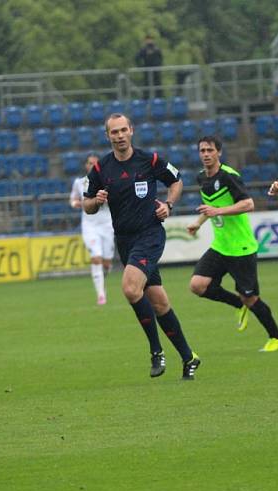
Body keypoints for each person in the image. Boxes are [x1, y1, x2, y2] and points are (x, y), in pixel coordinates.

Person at [83, 113, 201, 380]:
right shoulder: (101, 169)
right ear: (108, 136)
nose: (120, 135)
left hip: (149, 235)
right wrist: (97, 200)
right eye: (114, 132)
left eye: (124, 130)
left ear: (132, 131)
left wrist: (168, 205)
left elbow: (177, 180)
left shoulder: (150, 160)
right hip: (124, 240)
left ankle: (156, 351)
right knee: (159, 303)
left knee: (129, 288)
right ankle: (189, 357)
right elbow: (87, 204)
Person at [186, 136, 278, 352]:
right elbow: (209, 204)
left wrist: (218, 211)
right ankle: (237, 305)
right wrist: (198, 223)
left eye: (209, 150)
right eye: (202, 150)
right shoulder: (201, 177)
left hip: (241, 248)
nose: (205, 154)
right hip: (221, 245)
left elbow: (248, 204)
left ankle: (276, 336)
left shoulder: (229, 176)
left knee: (251, 298)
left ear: (219, 152)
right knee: (197, 285)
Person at [70, 153, 115, 305]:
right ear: (86, 165)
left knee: (107, 263)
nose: (92, 166)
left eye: (95, 163)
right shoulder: (79, 182)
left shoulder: (107, 181)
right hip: (90, 225)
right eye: (89, 163)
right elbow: (74, 199)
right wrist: (76, 203)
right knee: (96, 257)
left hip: (107, 224)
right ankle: (101, 294)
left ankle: (103, 277)